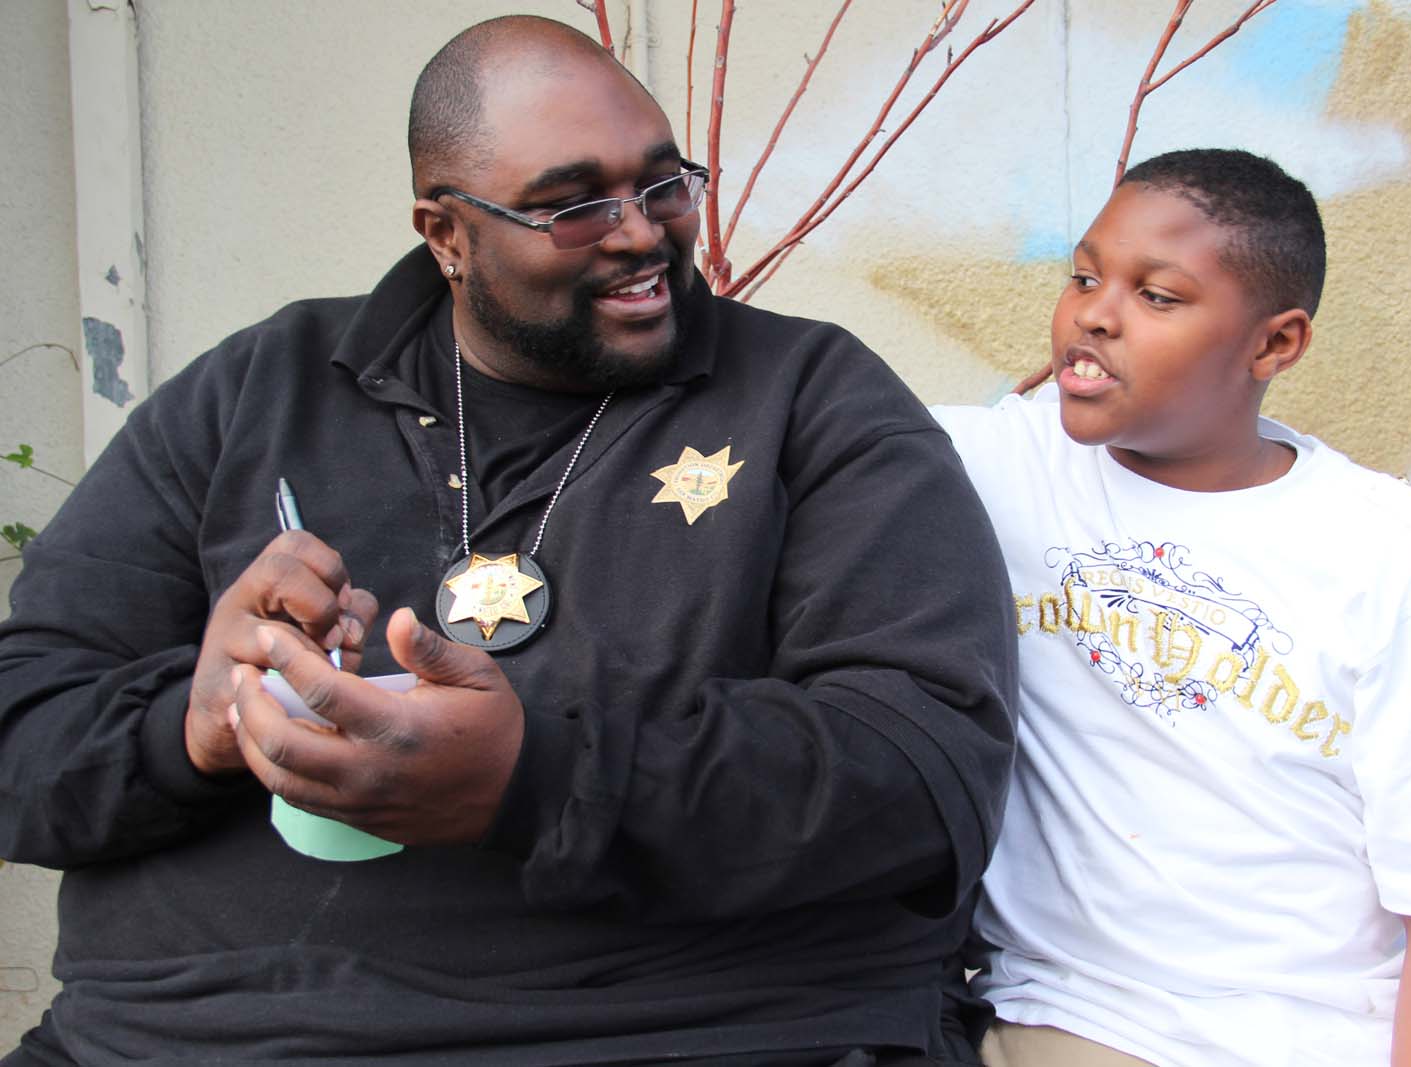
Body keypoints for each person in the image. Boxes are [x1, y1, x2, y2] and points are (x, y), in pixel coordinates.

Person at [0, 16, 1016, 1065]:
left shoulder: (809, 398)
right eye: (574, 206)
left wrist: (539, 777)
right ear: (445, 232)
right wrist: (197, 724)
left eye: (663, 186)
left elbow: (924, 768)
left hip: (685, 1032)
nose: (641, 233)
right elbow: (24, 735)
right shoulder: (259, 391)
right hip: (194, 1032)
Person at [934, 149, 1411, 1067]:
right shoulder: (986, 465)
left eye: (1157, 295)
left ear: (1274, 345)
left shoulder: (1398, 564)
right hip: (1095, 1025)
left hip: (1347, 1033)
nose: (1095, 313)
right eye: (1085, 277)